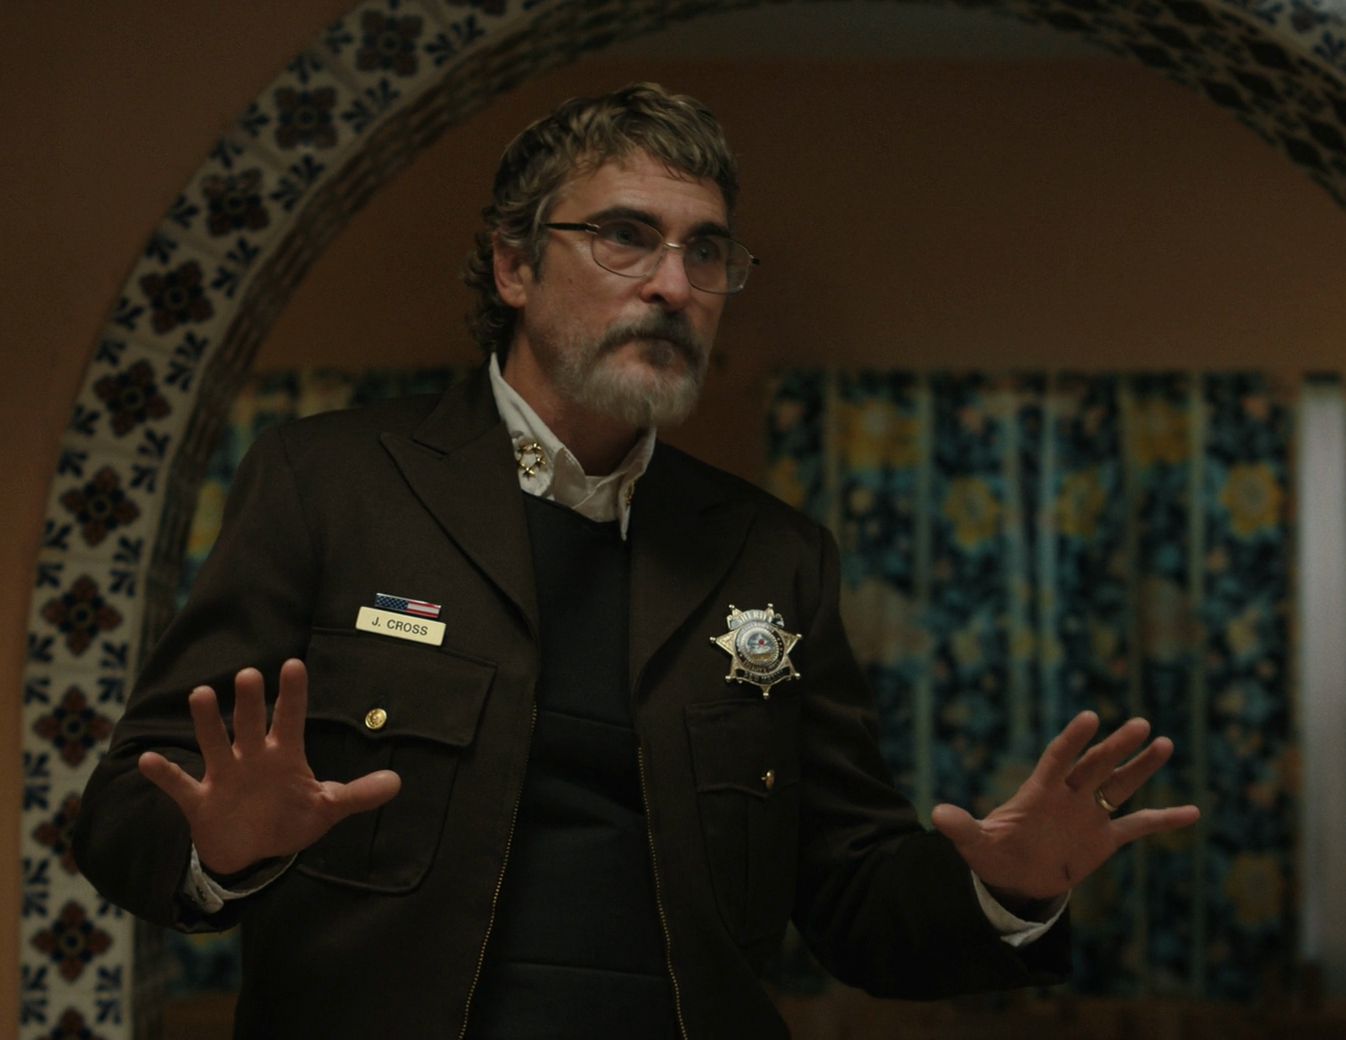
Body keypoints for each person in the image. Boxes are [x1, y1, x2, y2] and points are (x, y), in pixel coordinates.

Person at [73, 82, 1198, 1039]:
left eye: (705, 251)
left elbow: (853, 899)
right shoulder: (332, 484)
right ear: (514, 265)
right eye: (624, 236)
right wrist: (216, 849)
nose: (672, 284)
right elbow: (126, 809)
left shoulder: (774, 556)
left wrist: (1003, 889)